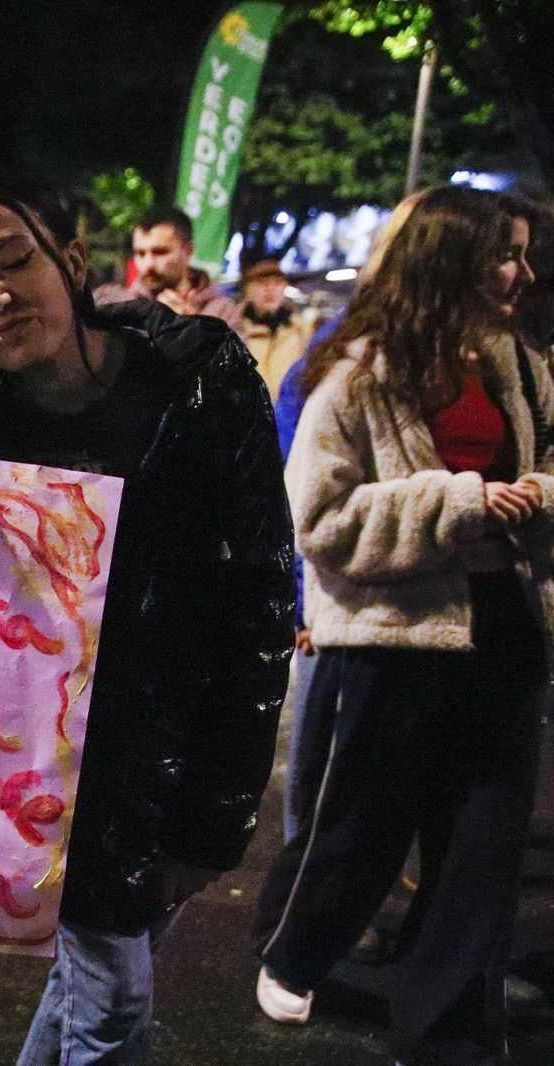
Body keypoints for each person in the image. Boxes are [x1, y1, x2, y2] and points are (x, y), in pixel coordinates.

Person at [0, 174, 294, 1066]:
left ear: (74, 260)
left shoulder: (200, 378)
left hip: (158, 771)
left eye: (12, 259)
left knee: (96, 979)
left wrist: (214, 818)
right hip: (32, 784)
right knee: (109, 998)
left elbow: (260, 597)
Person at [251, 186, 552, 1066]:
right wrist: (456, 502)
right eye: (507, 253)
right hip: (394, 638)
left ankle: (451, 1026)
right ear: (449, 258)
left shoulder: (523, 361)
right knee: (360, 830)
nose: (523, 273)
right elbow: (320, 519)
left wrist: (536, 497)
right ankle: (296, 952)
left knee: (482, 840)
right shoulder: (356, 373)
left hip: (504, 628)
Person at [94, 205, 245, 334]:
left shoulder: (223, 312)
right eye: (140, 253)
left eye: (160, 252)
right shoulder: (117, 305)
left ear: (188, 251)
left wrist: (191, 331)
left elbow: (235, 367)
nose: (148, 263)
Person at [239, 259, 316, 402]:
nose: (270, 289)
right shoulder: (235, 331)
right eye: (262, 283)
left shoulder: (302, 331)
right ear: (248, 290)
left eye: (277, 283)